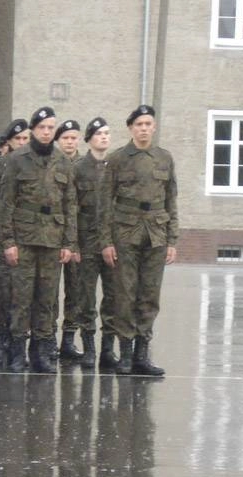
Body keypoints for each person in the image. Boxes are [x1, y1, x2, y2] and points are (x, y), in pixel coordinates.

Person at [100, 105, 178, 376]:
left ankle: (142, 354)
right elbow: (105, 203)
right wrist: (106, 241)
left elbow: (171, 201)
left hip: (156, 232)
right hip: (125, 232)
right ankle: (125, 354)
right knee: (125, 294)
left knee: (149, 295)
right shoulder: (118, 158)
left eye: (148, 124)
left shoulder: (164, 158)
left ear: (154, 127)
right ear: (131, 128)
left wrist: (172, 239)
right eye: (139, 124)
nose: (144, 128)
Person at [0, 107, 77, 373]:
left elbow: (70, 204)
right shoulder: (18, 159)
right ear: (33, 129)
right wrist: (8, 241)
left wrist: (69, 243)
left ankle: (41, 351)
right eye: (42, 127)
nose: (47, 132)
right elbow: (6, 203)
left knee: (46, 299)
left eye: (50, 127)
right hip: (23, 238)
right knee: (21, 297)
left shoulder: (63, 161)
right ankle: (17, 351)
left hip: (53, 239)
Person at [0, 118, 30, 367]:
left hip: (27, 236)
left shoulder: (32, 164)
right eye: (17, 139)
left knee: (21, 295)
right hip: (1, 237)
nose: (22, 143)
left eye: (25, 139)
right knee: (1, 292)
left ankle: (18, 344)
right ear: (8, 143)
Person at [73, 117, 118, 369]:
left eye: (107, 133)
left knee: (112, 298)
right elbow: (72, 207)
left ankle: (107, 350)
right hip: (86, 240)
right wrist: (73, 244)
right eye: (99, 133)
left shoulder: (116, 167)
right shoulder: (79, 168)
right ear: (89, 138)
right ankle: (89, 347)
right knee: (86, 298)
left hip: (111, 243)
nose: (104, 137)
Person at [52, 119, 83, 360]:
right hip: (52, 234)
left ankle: (69, 339)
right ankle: (49, 337)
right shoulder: (51, 164)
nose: (70, 142)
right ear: (58, 141)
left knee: (76, 290)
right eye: (65, 138)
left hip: (79, 237)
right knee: (49, 291)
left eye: (74, 138)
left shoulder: (85, 165)